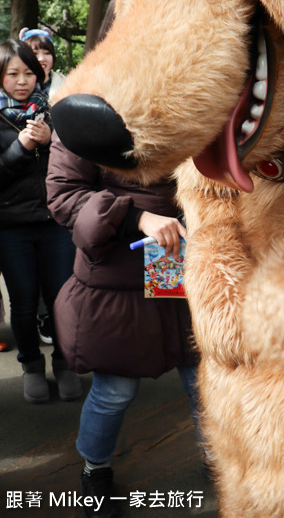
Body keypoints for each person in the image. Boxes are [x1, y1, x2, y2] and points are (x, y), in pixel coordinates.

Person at [46, 132, 200, 518]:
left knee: (204, 385)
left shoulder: (198, 104)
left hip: (191, 268)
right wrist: (136, 217)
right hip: (119, 277)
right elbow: (64, 197)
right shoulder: (84, 113)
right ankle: (94, 469)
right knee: (114, 390)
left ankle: (222, 458)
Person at [0, 39, 82, 403]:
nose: (22, 81)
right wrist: (21, 148)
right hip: (11, 226)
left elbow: (78, 163)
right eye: (12, 73)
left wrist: (51, 142)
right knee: (23, 303)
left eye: (29, 73)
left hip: (55, 223)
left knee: (63, 298)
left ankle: (65, 364)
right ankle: (31, 366)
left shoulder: (56, 108)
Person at [19, 26, 66, 344]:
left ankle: (58, 328)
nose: (41, 58)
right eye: (34, 52)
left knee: (59, 275)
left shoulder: (65, 89)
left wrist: (51, 140)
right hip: (19, 208)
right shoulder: (10, 102)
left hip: (57, 198)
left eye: (45, 51)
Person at [19, 27, 66, 103]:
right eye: (34, 53)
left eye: (47, 53)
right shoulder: (13, 85)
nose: (41, 58)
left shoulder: (67, 84)